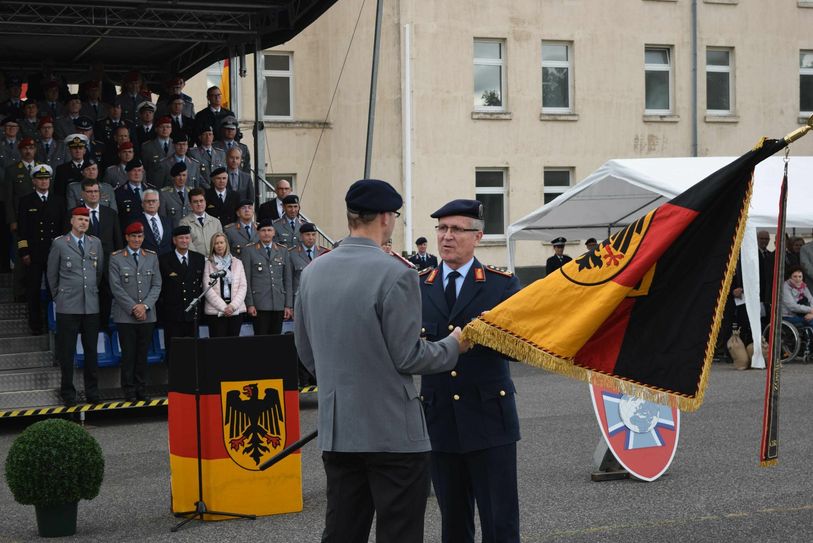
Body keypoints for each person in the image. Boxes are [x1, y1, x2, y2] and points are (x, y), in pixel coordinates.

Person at [294, 179, 467, 543]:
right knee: (399, 533)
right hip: (393, 433)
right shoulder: (396, 273)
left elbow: (306, 352)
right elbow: (410, 356)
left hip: (339, 430)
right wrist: (454, 343)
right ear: (387, 218)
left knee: (342, 532)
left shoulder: (312, 272)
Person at [418, 199, 522, 543]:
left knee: (500, 521)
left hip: (489, 416)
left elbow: (520, 349)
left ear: (477, 236)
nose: (446, 237)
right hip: (441, 418)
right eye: (442, 229)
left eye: (456, 230)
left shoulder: (501, 285)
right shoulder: (419, 285)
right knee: (453, 521)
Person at [47, 207, 104, 406]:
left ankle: (92, 392)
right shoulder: (60, 244)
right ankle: (68, 392)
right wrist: (58, 296)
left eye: (86, 220)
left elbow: (98, 273)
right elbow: (52, 275)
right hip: (68, 305)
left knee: (91, 351)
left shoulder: (95, 243)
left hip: (90, 305)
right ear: (72, 221)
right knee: (67, 351)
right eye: (80, 219)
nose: (83, 223)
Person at [109, 222, 161, 401]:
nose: (136, 239)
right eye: (133, 236)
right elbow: (116, 288)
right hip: (126, 316)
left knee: (142, 354)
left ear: (143, 237)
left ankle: (142, 388)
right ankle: (129, 390)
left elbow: (157, 285)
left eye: (139, 236)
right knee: (129, 354)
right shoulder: (116, 258)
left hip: (148, 315)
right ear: (127, 237)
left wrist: (145, 306)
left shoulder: (152, 257)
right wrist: (134, 308)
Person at [16, 164, 66, 335]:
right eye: (40, 179)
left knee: (56, 290)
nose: (44, 181)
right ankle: (36, 325)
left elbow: (63, 228)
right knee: (33, 290)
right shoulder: (26, 201)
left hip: (54, 252)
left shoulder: (58, 200)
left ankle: (56, 323)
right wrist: (24, 252)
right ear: (34, 181)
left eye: (46, 178)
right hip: (34, 254)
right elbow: (21, 231)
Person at [158, 225, 205, 364]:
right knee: (173, 352)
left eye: (187, 237)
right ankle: (174, 382)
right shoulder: (164, 259)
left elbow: (202, 284)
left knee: (192, 352)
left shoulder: (199, 258)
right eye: (181, 238)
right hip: (173, 314)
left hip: (192, 314)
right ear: (174, 240)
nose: (184, 241)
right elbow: (160, 287)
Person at [240, 219, 291, 336]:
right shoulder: (249, 250)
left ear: (274, 232)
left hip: (278, 302)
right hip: (259, 303)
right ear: (258, 233)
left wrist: (288, 305)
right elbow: (246, 280)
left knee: (276, 339)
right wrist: (250, 304)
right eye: (263, 230)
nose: (266, 233)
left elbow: (287, 280)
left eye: (269, 230)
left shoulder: (282, 250)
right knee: (261, 340)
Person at [203, 232, 247, 337]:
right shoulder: (208, 263)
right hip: (216, 312)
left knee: (233, 344)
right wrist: (224, 308)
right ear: (213, 246)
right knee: (218, 345)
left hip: (235, 310)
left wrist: (232, 306)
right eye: (216, 243)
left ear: (226, 244)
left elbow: (243, 286)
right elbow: (207, 288)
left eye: (221, 242)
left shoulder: (237, 262)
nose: (219, 245)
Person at [290, 222, 330, 300]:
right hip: (300, 298)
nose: (311, 238)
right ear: (301, 237)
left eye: (313, 234)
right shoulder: (292, 254)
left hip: (319, 297)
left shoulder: (324, 252)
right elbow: (289, 281)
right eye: (307, 235)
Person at [178, 187, 222, 256]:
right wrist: (201, 259)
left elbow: (220, 243)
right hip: (196, 262)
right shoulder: (184, 223)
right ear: (190, 204)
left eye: (201, 201)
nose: (199, 204)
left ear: (205, 202)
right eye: (195, 202)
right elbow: (188, 245)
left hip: (215, 261)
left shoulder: (216, 222)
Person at [138, 189, 173, 255]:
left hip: (167, 261)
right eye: (148, 201)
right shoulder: (137, 223)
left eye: (154, 201)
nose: (151, 203)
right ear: (142, 204)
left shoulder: (168, 221)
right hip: (147, 261)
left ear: (159, 203)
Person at [158, 162, 192, 227]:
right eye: (178, 175)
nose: (181, 178)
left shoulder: (192, 192)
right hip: (174, 232)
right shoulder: (164, 194)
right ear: (173, 177)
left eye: (184, 175)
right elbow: (163, 217)